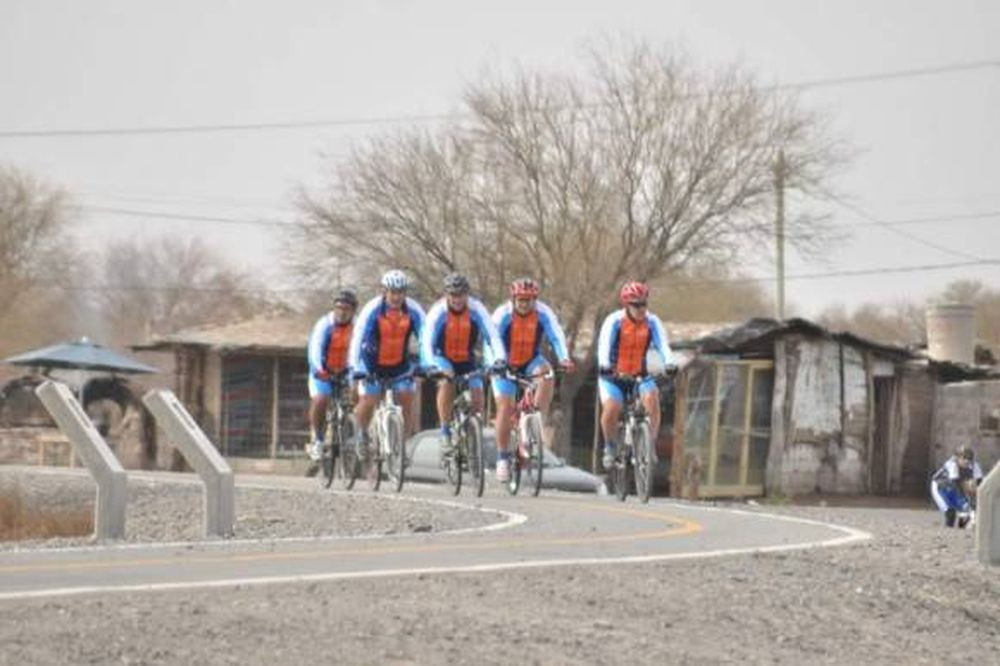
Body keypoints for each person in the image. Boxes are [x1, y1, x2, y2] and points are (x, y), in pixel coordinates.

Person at [490, 277, 575, 482]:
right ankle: (502, 458)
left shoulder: (543, 313)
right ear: (514, 299)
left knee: (547, 372)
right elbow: (491, 341)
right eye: (521, 299)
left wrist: (564, 358)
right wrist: (496, 362)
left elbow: (556, 336)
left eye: (529, 300)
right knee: (505, 407)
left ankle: (536, 419)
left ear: (534, 300)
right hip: (504, 362)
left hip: (530, 360)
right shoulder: (503, 314)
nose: (525, 304)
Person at [421, 272, 507, 453]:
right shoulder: (438, 312)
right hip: (441, 357)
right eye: (453, 295)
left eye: (461, 295)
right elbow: (426, 341)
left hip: (467, 358)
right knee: (447, 381)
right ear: (446, 295)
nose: (457, 299)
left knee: (477, 396)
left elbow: (492, 336)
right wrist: (430, 365)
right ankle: (445, 430)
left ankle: (472, 436)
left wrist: (499, 359)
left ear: (467, 294)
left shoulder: (477, 309)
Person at [596, 280, 674, 470]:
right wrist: (605, 365)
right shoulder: (614, 321)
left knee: (652, 397)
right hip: (613, 376)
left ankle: (649, 445)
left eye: (644, 304)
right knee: (612, 407)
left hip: (639, 374)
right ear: (626, 305)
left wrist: (670, 362)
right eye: (635, 305)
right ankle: (610, 446)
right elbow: (604, 346)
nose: (641, 308)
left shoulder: (653, 321)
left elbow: (663, 344)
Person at [348, 270, 426, 451]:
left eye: (400, 292)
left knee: (407, 397)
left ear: (405, 293)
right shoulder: (372, 309)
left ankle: (403, 445)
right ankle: (362, 434)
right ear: (385, 291)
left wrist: (426, 364)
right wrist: (355, 368)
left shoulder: (413, 309)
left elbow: (425, 337)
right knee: (370, 398)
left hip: (399, 364)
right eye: (392, 292)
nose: (396, 297)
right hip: (371, 362)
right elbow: (357, 339)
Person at [306, 288, 359, 462]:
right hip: (323, 371)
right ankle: (318, 439)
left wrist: (358, 375)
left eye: (346, 309)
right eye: (338, 308)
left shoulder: (357, 327)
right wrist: (320, 371)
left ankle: (357, 436)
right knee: (322, 398)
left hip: (346, 371)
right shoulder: (324, 325)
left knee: (359, 396)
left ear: (353, 311)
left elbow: (362, 352)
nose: (342, 312)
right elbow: (315, 350)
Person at [931, 445, 984, 528]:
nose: (966, 461)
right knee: (950, 512)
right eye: (964, 458)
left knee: (965, 514)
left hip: (954, 488)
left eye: (969, 458)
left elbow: (981, 483)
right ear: (957, 458)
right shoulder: (952, 464)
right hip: (940, 488)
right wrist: (964, 501)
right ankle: (948, 534)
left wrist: (975, 501)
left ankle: (962, 534)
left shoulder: (974, 465)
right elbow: (956, 484)